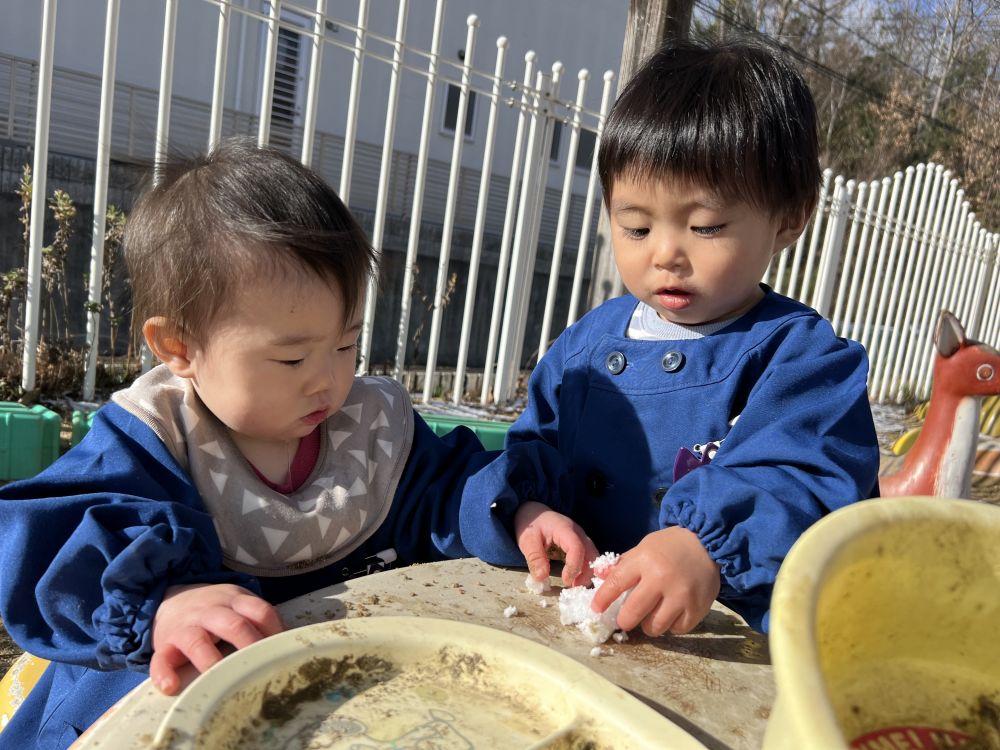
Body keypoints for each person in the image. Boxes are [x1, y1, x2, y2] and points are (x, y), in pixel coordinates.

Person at [0, 138, 493, 749]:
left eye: (346, 344)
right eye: (290, 357)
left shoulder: (371, 428)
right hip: (170, 696)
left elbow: (445, 490)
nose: (328, 379)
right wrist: (163, 602)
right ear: (179, 348)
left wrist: (512, 508)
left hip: (336, 702)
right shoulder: (153, 438)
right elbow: (54, 543)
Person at [460, 35, 881, 637]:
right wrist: (528, 509)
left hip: (725, 642)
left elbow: (804, 477)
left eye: (705, 227)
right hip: (580, 625)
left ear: (789, 216)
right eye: (635, 226)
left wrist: (704, 545)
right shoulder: (583, 349)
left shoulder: (802, 361)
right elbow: (533, 447)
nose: (666, 255)